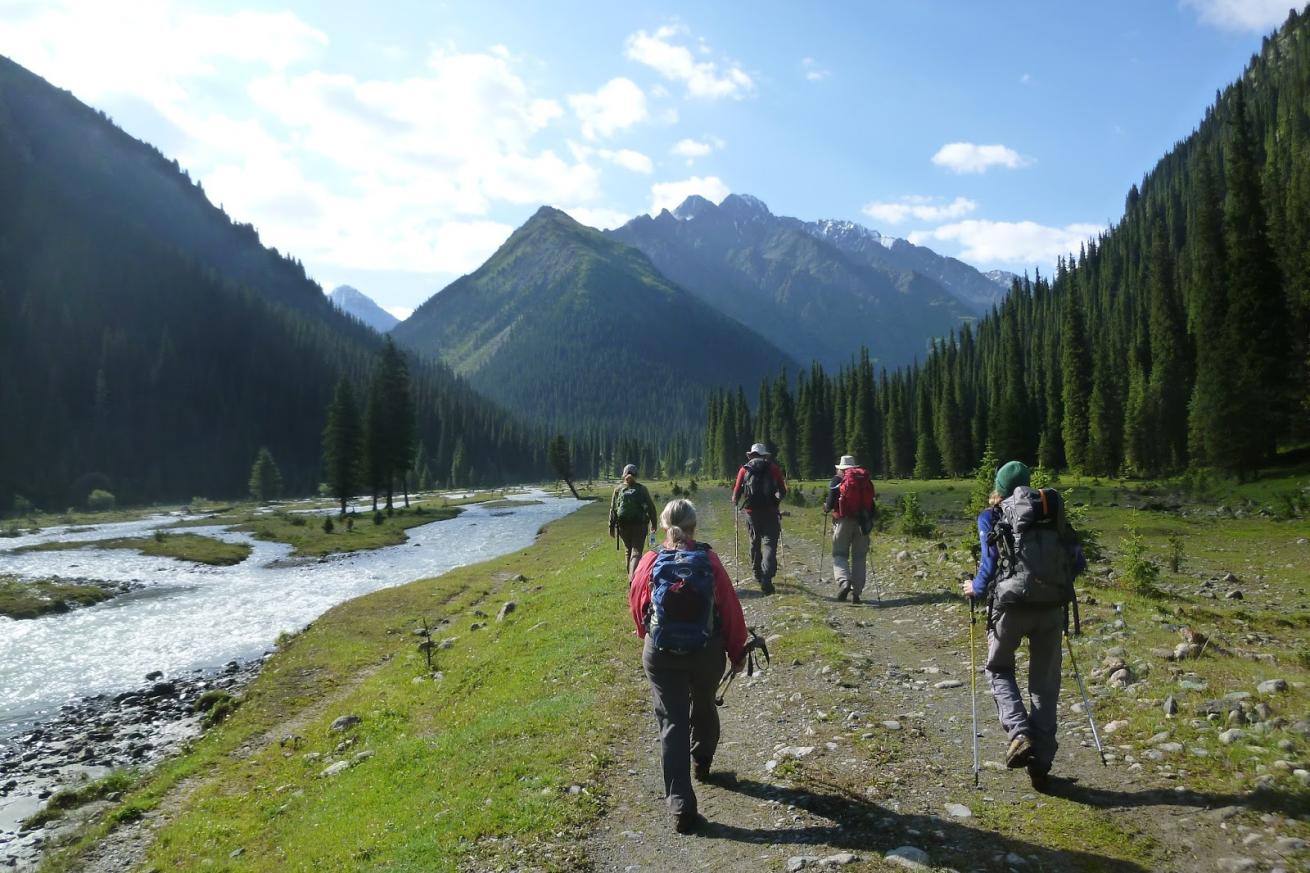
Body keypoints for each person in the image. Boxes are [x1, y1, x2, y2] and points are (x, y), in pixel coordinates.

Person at [961, 460, 1086, 791]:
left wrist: (973, 587)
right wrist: (1053, 586)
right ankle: (1042, 763)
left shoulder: (993, 516)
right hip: (1051, 608)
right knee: (1045, 685)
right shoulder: (1050, 512)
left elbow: (989, 565)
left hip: (1010, 606)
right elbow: (1078, 560)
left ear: (999, 488)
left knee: (999, 668)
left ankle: (1018, 733)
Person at [629, 499, 747, 834]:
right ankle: (702, 761)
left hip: (662, 652)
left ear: (664, 526)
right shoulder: (708, 559)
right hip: (706, 652)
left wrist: (645, 633)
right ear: (694, 527)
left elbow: (636, 600)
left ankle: (681, 806)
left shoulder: (651, 559)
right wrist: (737, 651)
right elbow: (731, 607)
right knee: (705, 703)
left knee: (672, 721)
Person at [730, 443, 786, 594]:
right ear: (764, 455)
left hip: (751, 512)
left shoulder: (744, 469)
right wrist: (776, 501)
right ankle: (767, 576)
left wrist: (735, 501)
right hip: (770, 511)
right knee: (769, 544)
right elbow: (782, 490)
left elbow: (736, 493)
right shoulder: (773, 468)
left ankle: (757, 573)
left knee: (755, 541)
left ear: (751, 455)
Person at [823, 454, 876, 604]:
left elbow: (829, 503)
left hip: (842, 521)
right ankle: (857, 593)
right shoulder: (865, 481)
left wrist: (826, 507)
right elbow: (872, 504)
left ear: (840, 468)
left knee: (840, 554)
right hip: (862, 523)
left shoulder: (837, 481)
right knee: (859, 557)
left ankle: (844, 581)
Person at [610, 464, 658, 577]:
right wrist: (654, 523)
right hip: (639, 525)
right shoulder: (642, 489)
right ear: (636, 475)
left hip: (623, 526)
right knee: (636, 552)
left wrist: (611, 527)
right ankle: (633, 579)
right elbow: (651, 507)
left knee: (628, 552)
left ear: (624, 475)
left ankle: (631, 578)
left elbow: (613, 509)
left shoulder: (618, 489)